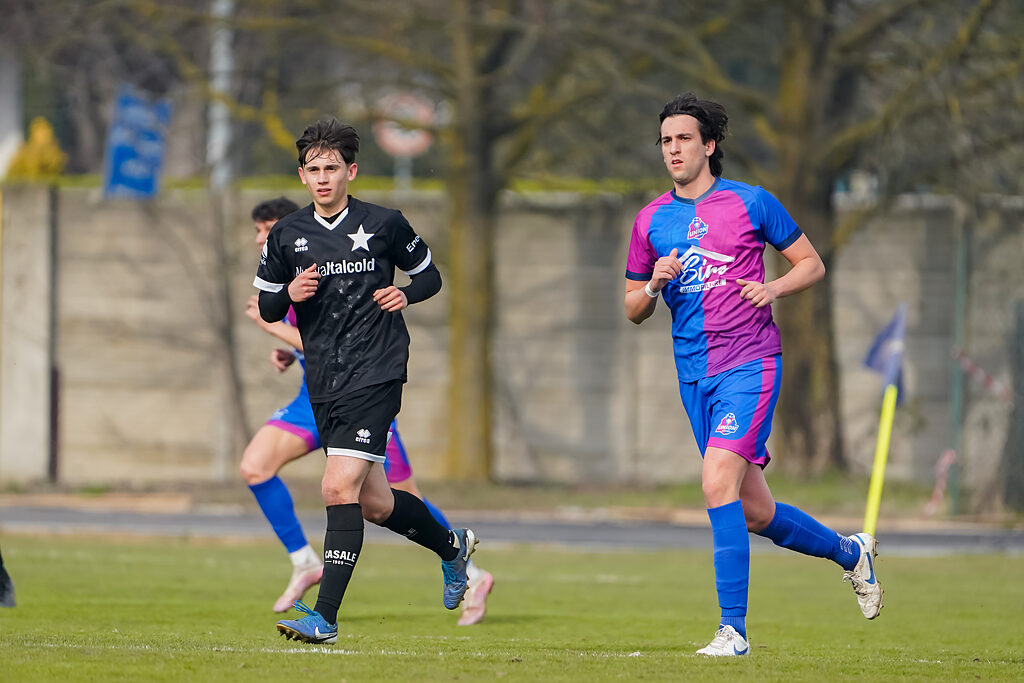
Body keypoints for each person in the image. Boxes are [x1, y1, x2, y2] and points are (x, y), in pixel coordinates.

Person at [623, 93, 882, 657]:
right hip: (693, 375)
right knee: (755, 511)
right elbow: (632, 308)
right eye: (666, 141)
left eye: (684, 138)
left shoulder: (751, 202)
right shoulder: (650, 220)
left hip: (750, 361)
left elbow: (811, 263)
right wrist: (654, 285)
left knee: (716, 481)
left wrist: (772, 288)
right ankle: (851, 553)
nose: (673, 149)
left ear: (709, 145)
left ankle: (733, 631)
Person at [253, 119, 478, 645]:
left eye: (332, 168)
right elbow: (266, 305)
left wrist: (406, 293)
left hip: (377, 370)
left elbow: (430, 276)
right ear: (302, 176)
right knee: (375, 503)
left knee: (336, 487)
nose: (323, 178)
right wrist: (289, 292)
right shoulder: (287, 234)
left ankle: (325, 618)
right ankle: (452, 547)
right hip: (324, 379)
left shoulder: (384, 223)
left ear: (350, 172)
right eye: (314, 169)